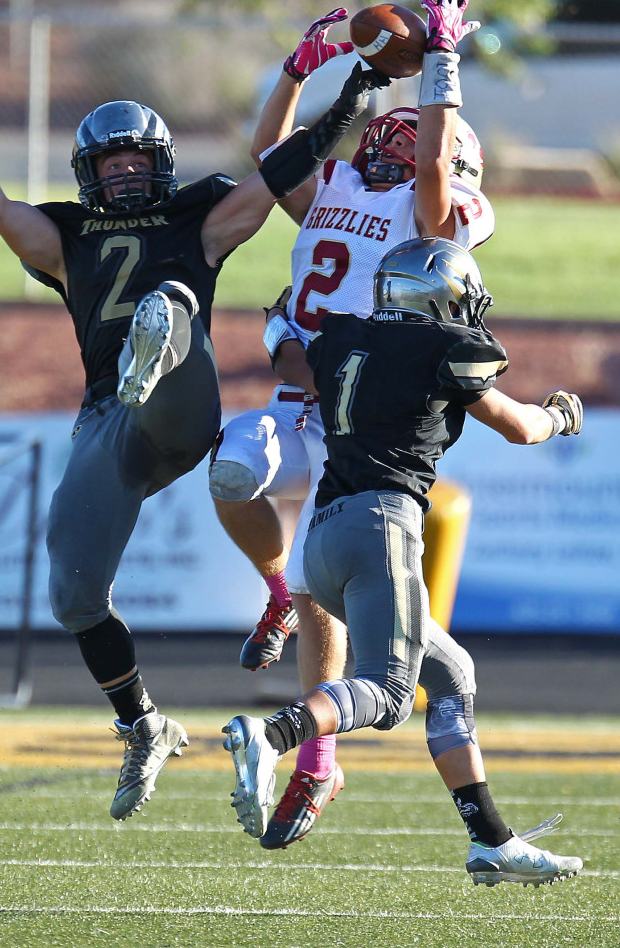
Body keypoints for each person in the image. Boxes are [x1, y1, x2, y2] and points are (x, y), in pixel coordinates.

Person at [0, 59, 382, 821]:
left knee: (171, 300)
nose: (124, 171)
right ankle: (143, 724)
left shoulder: (200, 217)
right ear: (88, 173)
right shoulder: (65, 234)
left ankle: (156, 340)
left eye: (136, 159)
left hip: (178, 407)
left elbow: (278, 169)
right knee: (74, 596)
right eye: (110, 161)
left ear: (160, 165)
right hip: (108, 423)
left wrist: (348, 100)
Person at [209, 0, 494, 848]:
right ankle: (274, 596)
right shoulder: (333, 181)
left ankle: (314, 761)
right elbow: (270, 156)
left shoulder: (436, 211)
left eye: (401, 135)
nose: (385, 140)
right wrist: (301, 71)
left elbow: (438, 172)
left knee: (330, 581)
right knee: (230, 468)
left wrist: (442, 64)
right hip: (299, 406)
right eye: (386, 132)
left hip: (359, 424)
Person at [222, 235, 584, 887]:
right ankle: (273, 735)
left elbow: (290, 360)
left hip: (325, 539)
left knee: (450, 675)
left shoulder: (340, 338)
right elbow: (519, 427)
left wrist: (277, 321)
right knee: (389, 695)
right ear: (440, 294)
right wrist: (559, 417)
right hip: (381, 524)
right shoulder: (447, 346)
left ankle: (490, 841)